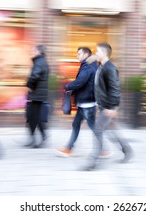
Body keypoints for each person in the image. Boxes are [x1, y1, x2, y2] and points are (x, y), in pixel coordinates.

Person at [84, 43, 133, 171]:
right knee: (111, 131)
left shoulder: (110, 68)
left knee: (98, 130)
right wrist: (93, 58)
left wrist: (112, 107)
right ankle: (127, 150)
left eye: (98, 51)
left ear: (105, 53)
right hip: (104, 105)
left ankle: (94, 160)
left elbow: (114, 89)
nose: (96, 53)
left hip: (108, 106)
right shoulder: (102, 66)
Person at [55, 47, 98, 157]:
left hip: (87, 103)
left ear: (86, 54)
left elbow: (81, 81)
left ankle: (102, 149)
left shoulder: (87, 65)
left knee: (93, 127)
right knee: (76, 124)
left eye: (79, 54)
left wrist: (68, 86)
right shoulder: (90, 64)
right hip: (86, 102)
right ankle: (69, 148)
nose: (77, 56)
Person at [25, 45, 49, 148]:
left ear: (39, 51)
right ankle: (40, 137)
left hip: (36, 94)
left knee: (32, 117)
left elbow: (34, 76)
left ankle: (35, 139)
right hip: (40, 94)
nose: (32, 52)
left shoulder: (39, 62)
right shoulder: (43, 62)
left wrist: (29, 86)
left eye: (34, 50)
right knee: (35, 117)